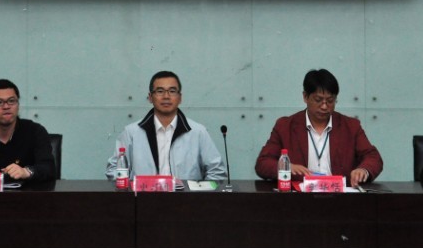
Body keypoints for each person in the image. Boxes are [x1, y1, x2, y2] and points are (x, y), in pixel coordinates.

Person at [255, 69, 383, 185]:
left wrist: (363, 170)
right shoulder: (285, 126)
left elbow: (373, 157)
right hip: (299, 197)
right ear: (305, 97)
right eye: (318, 100)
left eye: (330, 101)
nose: (324, 106)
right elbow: (262, 163)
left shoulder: (351, 126)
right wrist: (286, 167)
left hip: (339, 196)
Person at [105, 71, 226, 182]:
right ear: (150, 97)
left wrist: (199, 194)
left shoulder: (198, 132)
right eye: (160, 91)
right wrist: (130, 191)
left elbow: (216, 171)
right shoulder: (131, 132)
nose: (166, 96)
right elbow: (114, 170)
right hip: (143, 197)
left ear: (180, 98)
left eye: (172, 91)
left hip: (186, 198)